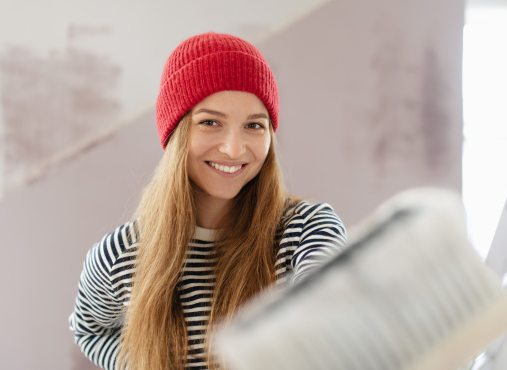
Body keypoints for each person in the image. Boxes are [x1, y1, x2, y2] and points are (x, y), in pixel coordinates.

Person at [68, 32, 347, 370]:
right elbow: (89, 330)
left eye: (254, 126)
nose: (233, 148)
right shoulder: (121, 256)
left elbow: (332, 297)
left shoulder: (305, 228)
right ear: (176, 132)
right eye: (210, 122)